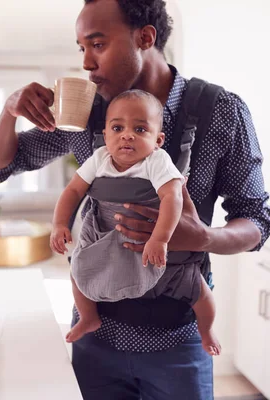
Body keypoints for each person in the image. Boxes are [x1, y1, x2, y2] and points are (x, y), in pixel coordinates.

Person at [0, 0, 270, 398]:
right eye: (81, 48)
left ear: (145, 37)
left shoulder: (220, 112)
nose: (86, 62)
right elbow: (2, 165)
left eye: (98, 44)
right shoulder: (87, 111)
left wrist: (203, 237)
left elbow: (257, 219)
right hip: (96, 335)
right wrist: (8, 111)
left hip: (177, 337)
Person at [49, 89, 221, 357]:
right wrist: (59, 223)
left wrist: (160, 239)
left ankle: (207, 330)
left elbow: (172, 198)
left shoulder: (157, 161)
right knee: (79, 273)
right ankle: (88, 317)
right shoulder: (100, 159)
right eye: (117, 127)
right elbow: (72, 191)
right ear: (106, 136)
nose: (127, 135)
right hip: (105, 238)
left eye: (140, 129)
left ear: (158, 140)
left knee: (198, 289)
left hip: (151, 247)